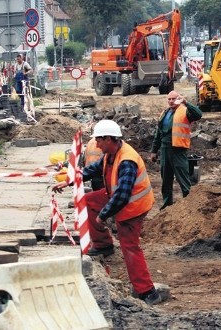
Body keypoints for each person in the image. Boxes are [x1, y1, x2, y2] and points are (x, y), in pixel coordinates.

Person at [52, 120, 162, 305]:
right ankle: (104, 245)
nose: (96, 144)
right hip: (117, 194)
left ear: (109, 139)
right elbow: (92, 170)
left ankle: (148, 291)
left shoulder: (127, 160)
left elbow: (122, 196)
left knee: (130, 246)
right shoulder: (110, 153)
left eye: (99, 140)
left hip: (133, 205)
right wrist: (69, 181)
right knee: (87, 201)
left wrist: (103, 215)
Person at [150, 90, 202, 210]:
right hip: (164, 148)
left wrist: (186, 102)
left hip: (178, 149)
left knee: (182, 178)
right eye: (169, 99)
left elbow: (198, 114)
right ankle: (167, 205)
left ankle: (189, 205)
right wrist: (154, 150)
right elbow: (158, 133)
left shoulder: (185, 111)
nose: (171, 101)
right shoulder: (164, 113)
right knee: (166, 179)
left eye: (174, 99)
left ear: (178, 99)